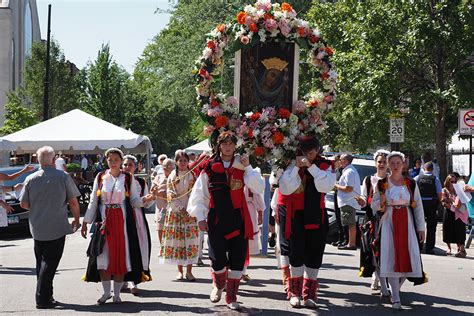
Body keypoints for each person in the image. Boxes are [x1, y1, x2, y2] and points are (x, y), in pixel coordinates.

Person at [187, 131, 265, 310]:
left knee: (238, 257)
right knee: (217, 257)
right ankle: (218, 284)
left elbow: (259, 186)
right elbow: (200, 193)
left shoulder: (242, 164)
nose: (228, 147)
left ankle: (232, 297)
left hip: (238, 216)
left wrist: (248, 168)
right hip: (217, 217)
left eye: (231, 144)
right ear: (219, 146)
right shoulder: (210, 166)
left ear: (235, 146)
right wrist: (200, 216)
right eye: (225, 144)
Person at [81, 148, 154, 305]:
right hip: (104, 221)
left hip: (122, 222)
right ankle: (106, 292)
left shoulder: (128, 178)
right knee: (103, 256)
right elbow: (94, 201)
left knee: (121, 256)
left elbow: (134, 200)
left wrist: (144, 200)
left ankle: (117, 294)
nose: (112, 162)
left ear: (121, 161)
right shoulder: (101, 177)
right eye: (110, 159)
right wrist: (86, 222)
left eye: (115, 159)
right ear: (106, 161)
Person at [19, 146, 81, 309]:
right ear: (54, 160)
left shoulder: (30, 178)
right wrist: (76, 219)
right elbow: (73, 201)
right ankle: (42, 298)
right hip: (57, 226)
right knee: (50, 263)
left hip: (37, 226)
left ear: (38, 160)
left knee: (42, 262)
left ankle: (47, 295)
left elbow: (24, 204)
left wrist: (38, 207)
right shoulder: (63, 177)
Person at [278, 136, 335, 308]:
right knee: (296, 253)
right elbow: (285, 188)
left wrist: (311, 167)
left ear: (317, 151)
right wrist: (296, 167)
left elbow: (325, 186)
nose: (309, 156)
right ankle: (294, 292)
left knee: (315, 253)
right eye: (306, 153)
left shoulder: (325, 166)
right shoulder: (291, 164)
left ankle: (309, 294)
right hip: (296, 215)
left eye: (312, 152)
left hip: (316, 215)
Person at [371, 151, 426, 310]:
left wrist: (421, 227)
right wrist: (380, 203)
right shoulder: (381, 184)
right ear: (388, 165)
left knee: (409, 255)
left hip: (406, 221)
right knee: (391, 257)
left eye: (398, 163)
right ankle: (396, 298)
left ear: (403, 165)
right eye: (392, 163)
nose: (395, 166)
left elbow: (418, 206)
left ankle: (396, 290)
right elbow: (374, 204)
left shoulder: (411, 183)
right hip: (389, 220)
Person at [159, 150, 199, 281]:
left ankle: (190, 271)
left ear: (188, 162)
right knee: (178, 242)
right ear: (176, 162)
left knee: (190, 242)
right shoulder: (172, 176)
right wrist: (180, 208)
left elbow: (196, 193)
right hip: (176, 213)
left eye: (185, 160)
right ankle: (180, 271)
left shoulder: (192, 175)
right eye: (180, 160)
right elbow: (170, 193)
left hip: (190, 213)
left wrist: (191, 208)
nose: (182, 163)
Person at [356, 149, 390, 297]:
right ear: (375, 163)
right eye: (379, 161)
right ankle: (377, 277)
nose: (381, 164)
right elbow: (364, 199)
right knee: (373, 250)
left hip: (388, 220)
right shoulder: (368, 180)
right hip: (371, 220)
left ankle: (383, 279)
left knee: (386, 251)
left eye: (384, 162)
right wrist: (361, 201)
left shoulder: (392, 180)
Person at [121, 155, 155, 295]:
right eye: (125, 164)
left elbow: (146, 203)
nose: (127, 167)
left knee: (136, 248)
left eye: (130, 165)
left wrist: (151, 197)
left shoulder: (140, 182)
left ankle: (133, 280)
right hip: (121, 218)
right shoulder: (117, 180)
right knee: (122, 249)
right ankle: (121, 280)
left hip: (137, 218)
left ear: (136, 167)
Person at [242, 168, 265, 281]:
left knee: (247, 241)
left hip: (249, 210)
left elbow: (257, 196)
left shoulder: (250, 179)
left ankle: (243, 270)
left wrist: (260, 213)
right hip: (236, 209)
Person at [415, 162, 442, 254]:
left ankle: (419, 245)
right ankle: (429, 247)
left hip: (420, 204)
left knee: (419, 225)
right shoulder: (435, 179)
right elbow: (439, 193)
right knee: (431, 226)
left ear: (424, 168)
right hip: (431, 204)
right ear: (432, 169)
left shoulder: (418, 178)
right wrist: (439, 202)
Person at [335, 154, 361, 250]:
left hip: (348, 201)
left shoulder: (349, 172)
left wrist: (336, 186)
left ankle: (351, 244)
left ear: (346, 160)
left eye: (340, 159)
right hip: (347, 201)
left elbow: (349, 188)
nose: (339, 161)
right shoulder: (348, 171)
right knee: (349, 222)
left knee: (350, 223)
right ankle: (350, 243)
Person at [441, 174, 467, 257]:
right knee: (447, 229)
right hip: (449, 211)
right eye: (451, 181)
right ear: (448, 182)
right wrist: (451, 206)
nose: (453, 183)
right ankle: (449, 248)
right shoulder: (445, 190)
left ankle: (460, 248)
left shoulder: (458, 190)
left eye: (455, 181)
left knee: (458, 230)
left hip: (458, 213)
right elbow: (443, 201)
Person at [152, 158, 174, 244]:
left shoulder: (176, 177)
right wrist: (157, 191)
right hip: (161, 208)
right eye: (165, 168)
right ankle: (162, 246)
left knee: (171, 228)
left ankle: (170, 248)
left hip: (172, 208)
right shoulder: (158, 177)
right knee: (160, 227)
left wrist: (166, 193)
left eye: (170, 168)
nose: (166, 170)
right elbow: (152, 190)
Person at [331, 155, 347, 247]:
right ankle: (339, 238)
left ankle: (344, 239)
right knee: (338, 217)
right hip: (336, 194)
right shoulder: (336, 170)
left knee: (343, 219)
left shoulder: (344, 171)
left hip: (343, 195)